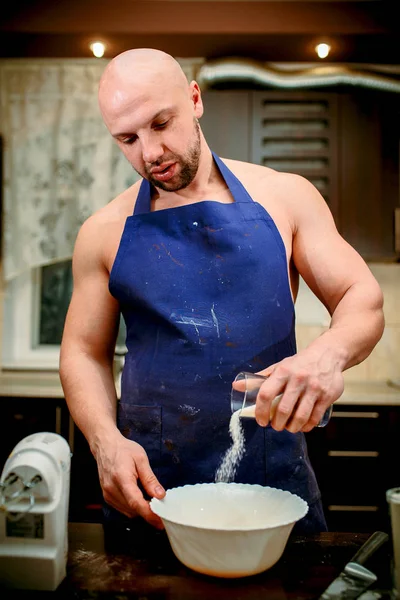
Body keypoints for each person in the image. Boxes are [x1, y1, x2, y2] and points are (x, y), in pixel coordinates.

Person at [59, 48, 384, 534]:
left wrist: (326, 357)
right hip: (152, 494)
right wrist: (104, 440)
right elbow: (82, 351)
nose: (149, 153)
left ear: (194, 100)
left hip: (273, 482)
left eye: (161, 123)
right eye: (127, 138)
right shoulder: (103, 231)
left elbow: (362, 296)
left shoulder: (285, 196)